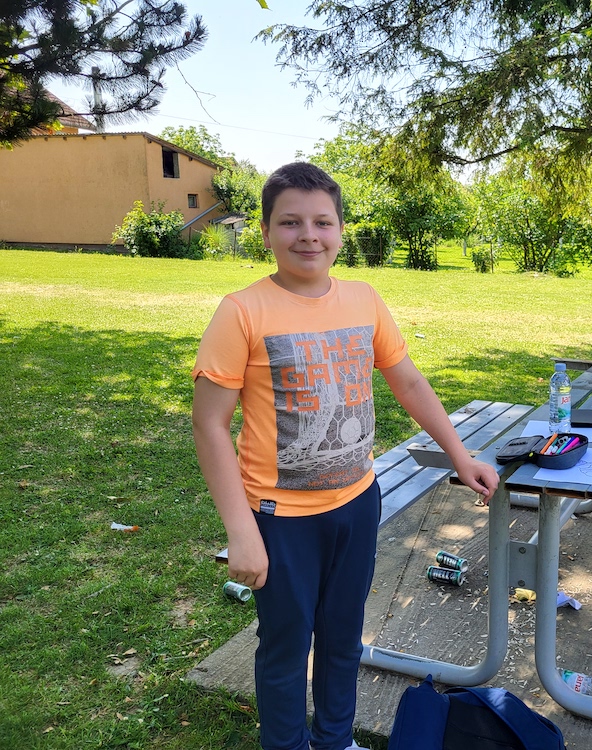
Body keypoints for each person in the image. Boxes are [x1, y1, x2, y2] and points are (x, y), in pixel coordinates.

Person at [191, 162, 500, 750]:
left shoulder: (363, 299)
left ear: (340, 230)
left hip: (358, 504)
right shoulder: (242, 311)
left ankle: (335, 741)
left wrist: (460, 455)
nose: (308, 235)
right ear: (265, 232)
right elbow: (209, 424)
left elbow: (408, 381)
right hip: (280, 519)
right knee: (286, 645)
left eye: (322, 222)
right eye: (290, 222)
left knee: (342, 638)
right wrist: (241, 531)